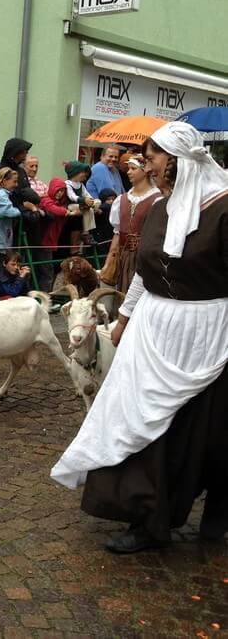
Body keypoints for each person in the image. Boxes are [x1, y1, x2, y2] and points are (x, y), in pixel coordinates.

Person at [51, 121, 228, 553]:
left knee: (209, 430)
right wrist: (125, 317)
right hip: (154, 329)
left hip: (207, 333)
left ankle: (218, 513)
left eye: (151, 159)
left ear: (175, 161)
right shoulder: (162, 208)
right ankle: (148, 517)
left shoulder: (223, 209)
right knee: (140, 418)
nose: (144, 166)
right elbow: (146, 275)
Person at [101, 155, 161, 294]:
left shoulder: (157, 199)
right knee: (121, 296)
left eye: (133, 168)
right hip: (123, 257)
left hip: (145, 258)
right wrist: (109, 260)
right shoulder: (121, 200)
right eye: (128, 169)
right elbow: (117, 233)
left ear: (145, 171)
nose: (128, 172)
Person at [36, 178, 78, 291]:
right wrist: (68, 212)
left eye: (62, 191)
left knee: (48, 270)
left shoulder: (59, 204)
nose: (60, 193)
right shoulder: (46, 201)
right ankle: (45, 297)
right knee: (47, 271)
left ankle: (47, 294)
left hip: (51, 242)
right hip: (44, 241)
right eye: (58, 190)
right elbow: (53, 208)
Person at [63, 161, 99, 252]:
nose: (85, 175)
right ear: (76, 173)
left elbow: (86, 194)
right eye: (83, 172)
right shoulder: (68, 184)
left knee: (96, 202)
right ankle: (90, 209)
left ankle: (86, 233)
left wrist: (91, 200)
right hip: (72, 205)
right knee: (86, 209)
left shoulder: (81, 185)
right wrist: (83, 200)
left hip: (82, 205)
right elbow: (72, 196)